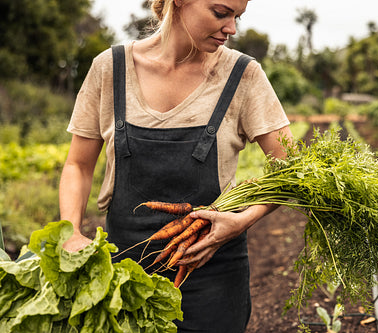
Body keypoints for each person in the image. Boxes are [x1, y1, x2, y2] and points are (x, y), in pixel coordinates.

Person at [59, 0, 292, 331]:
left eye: (237, 17)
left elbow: (291, 169)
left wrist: (242, 221)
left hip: (211, 280)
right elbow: (78, 166)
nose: (232, 29)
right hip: (124, 277)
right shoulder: (111, 69)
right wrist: (70, 230)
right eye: (221, 12)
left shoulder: (243, 76)